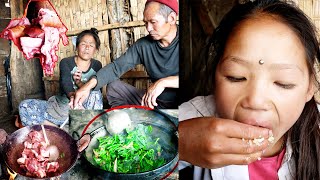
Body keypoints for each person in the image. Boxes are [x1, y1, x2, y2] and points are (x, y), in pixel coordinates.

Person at [178, 0, 320, 179]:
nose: (255, 101)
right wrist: (180, 144)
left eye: (283, 83)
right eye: (235, 77)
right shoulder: (189, 120)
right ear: (215, 75)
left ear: (309, 88)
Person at [73, 0, 179, 109]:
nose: (148, 28)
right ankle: (129, 118)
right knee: (114, 87)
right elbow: (116, 67)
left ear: (171, 18)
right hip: (152, 102)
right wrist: (87, 87)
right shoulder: (143, 45)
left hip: (182, 104)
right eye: (146, 23)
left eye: (153, 22)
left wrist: (163, 82)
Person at [18, 28, 103, 127]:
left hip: (83, 111)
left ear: (96, 49)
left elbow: (95, 93)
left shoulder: (97, 65)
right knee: (24, 106)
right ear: (77, 46)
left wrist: (79, 83)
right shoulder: (66, 62)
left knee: (96, 93)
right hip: (61, 109)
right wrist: (72, 97)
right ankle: (58, 128)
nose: (87, 47)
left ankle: (63, 126)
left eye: (91, 45)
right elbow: (65, 82)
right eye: (83, 44)